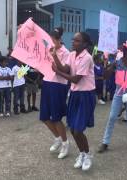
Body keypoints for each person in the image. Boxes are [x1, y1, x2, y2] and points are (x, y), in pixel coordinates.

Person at [52, 32, 96, 171]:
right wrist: (54, 57)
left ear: (85, 44)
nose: (73, 42)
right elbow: (65, 68)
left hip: (86, 95)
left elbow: (76, 79)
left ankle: (88, 155)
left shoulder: (87, 58)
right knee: (72, 129)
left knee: (77, 130)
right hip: (75, 95)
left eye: (77, 40)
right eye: (73, 40)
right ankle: (82, 154)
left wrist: (58, 73)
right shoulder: (72, 54)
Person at [98, 42, 127, 153]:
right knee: (112, 117)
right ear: (126, 53)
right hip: (118, 93)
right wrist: (108, 65)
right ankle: (105, 143)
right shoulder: (117, 63)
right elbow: (105, 76)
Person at [39, 27, 69, 160]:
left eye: (53, 40)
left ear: (59, 39)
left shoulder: (65, 52)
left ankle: (65, 143)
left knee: (56, 117)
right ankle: (57, 138)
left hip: (58, 85)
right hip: (47, 82)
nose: (50, 42)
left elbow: (63, 70)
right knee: (44, 116)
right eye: (49, 40)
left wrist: (54, 54)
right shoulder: (47, 49)